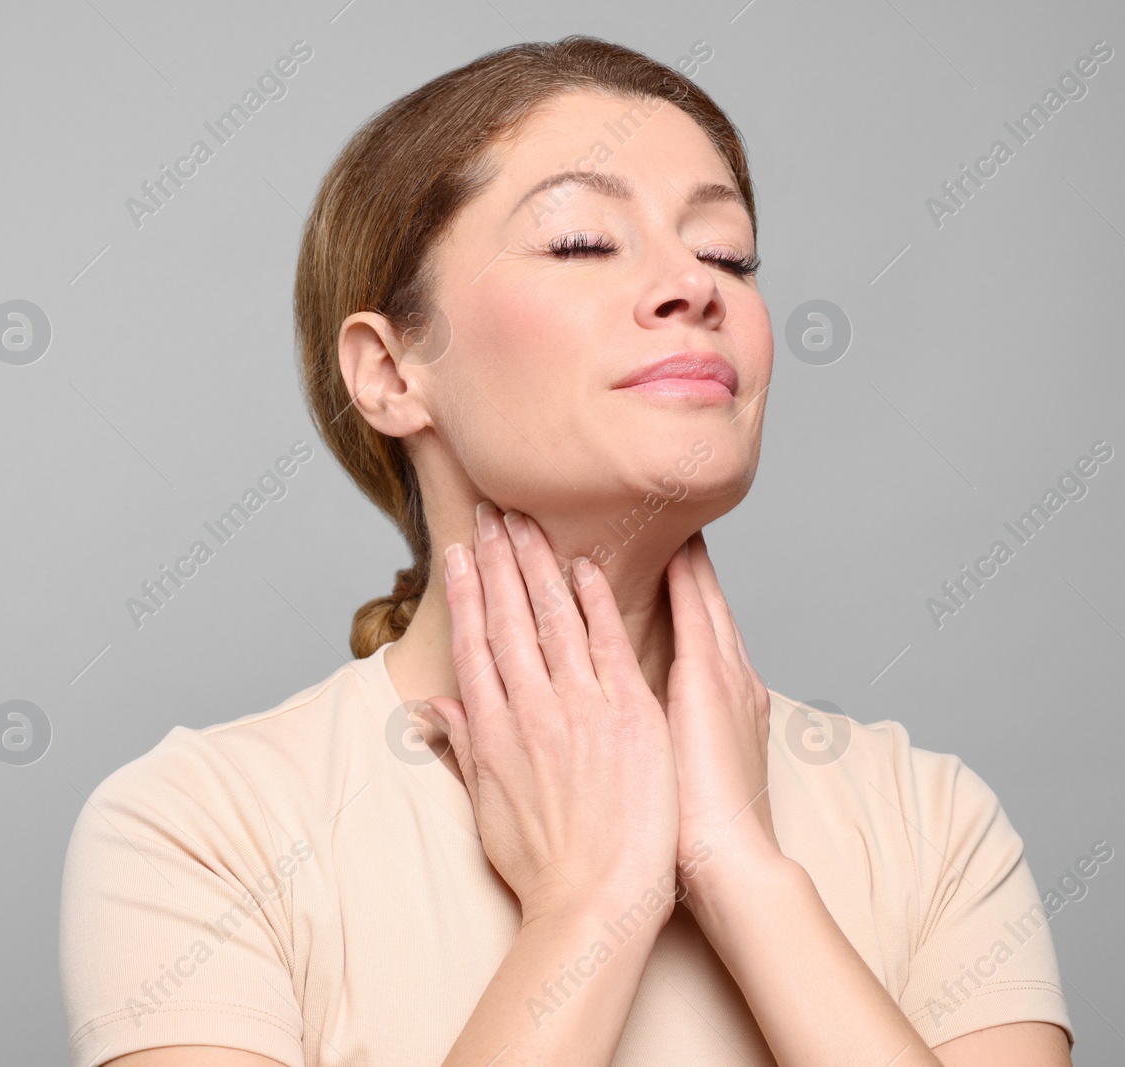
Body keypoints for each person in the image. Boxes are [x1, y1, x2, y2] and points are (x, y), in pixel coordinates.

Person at [59, 35, 1074, 1067]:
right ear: (389, 371)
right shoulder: (203, 825)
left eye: (726, 255)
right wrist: (591, 905)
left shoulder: (926, 813)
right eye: (584, 241)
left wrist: (742, 872)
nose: (693, 285)